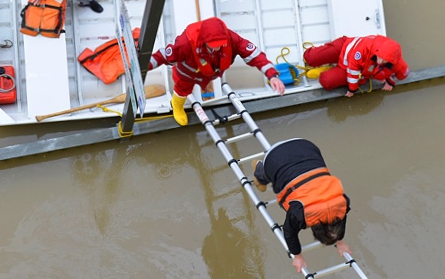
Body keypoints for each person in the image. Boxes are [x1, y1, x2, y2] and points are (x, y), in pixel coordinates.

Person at [148, 17, 286, 125]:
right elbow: (163, 55)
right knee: (183, 87)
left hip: (212, 69)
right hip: (189, 72)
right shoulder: (185, 43)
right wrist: (145, 66)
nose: (218, 47)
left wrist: (272, 75)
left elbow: (254, 54)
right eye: (214, 45)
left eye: (221, 44)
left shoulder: (232, 38)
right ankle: (176, 105)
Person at [252, 138, 352, 273]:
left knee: (294, 174)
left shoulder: (342, 202)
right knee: (268, 178)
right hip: (275, 156)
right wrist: (297, 256)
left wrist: (340, 241)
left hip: (306, 146)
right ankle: (260, 169)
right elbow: (289, 232)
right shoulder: (299, 214)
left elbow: (342, 217)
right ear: (314, 229)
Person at [303, 35, 409, 97]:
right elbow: (353, 69)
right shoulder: (363, 50)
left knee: (326, 81)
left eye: (385, 60)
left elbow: (403, 73)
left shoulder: (396, 60)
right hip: (345, 47)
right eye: (379, 57)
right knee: (310, 57)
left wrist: (390, 82)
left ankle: (330, 68)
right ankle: (329, 63)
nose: (380, 62)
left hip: (351, 69)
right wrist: (352, 89)